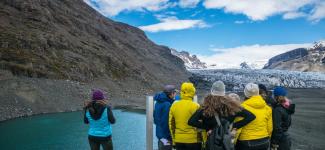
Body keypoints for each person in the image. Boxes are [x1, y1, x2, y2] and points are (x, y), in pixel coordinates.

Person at [188, 81, 255, 150]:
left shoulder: (206, 106)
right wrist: (234, 126)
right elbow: (251, 116)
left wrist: (207, 127)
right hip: (226, 143)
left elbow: (191, 121)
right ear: (224, 92)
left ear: (212, 91)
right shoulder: (231, 105)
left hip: (212, 143)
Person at [236, 83, 273, 150]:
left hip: (246, 142)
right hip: (264, 141)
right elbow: (270, 128)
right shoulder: (267, 108)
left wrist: (233, 143)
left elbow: (238, 128)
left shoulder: (242, 108)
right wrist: (266, 138)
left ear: (245, 93)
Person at [169, 82, 201, 150]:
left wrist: (174, 140)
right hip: (193, 140)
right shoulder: (196, 106)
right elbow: (200, 125)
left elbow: (171, 124)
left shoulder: (174, 105)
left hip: (179, 140)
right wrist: (204, 141)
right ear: (192, 92)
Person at [153, 85, 177, 150]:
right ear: (171, 94)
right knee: (166, 148)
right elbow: (167, 122)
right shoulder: (167, 104)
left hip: (160, 135)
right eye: (175, 93)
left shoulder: (158, 102)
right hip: (166, 136)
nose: (175, 95)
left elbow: (155, 120)